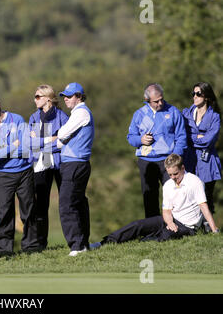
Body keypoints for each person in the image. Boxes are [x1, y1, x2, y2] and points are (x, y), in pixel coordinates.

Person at [90, 154, 219, 248]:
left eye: (176, 174)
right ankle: (104, 243)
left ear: (182, 168)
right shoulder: (168, 185)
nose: (173, 178)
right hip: (170, 220)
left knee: (162, 238)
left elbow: (203, 206)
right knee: (137, 225)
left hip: (188, 227)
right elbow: (166, 210)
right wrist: (169, 222)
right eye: (170, 175)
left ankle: (142, 242)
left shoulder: (195, 181)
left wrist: (214, 230)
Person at [0, 91, 39, 255]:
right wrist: (14, 145)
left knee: (28, 211)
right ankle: (3, 249)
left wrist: (4, 150)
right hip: (3, 174)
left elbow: (26, 148)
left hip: (24, 172)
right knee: (4, 213)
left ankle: (31, 246)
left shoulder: (17, 119)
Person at [127, 83, 187, 218]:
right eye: (156, 101)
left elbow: (181, 136)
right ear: (147, 100)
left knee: (173, 195)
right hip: (146, 161)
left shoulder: (173, 112)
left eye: (161, 99)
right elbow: (131, 137)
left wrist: (175, 158)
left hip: (168, 161)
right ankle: (152, 230)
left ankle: (176, 226)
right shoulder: (139, 114)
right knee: (149, 196)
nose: (160, 103)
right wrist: (140, 140)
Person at [28, 84, 69, 250]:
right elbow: (32, 144)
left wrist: (48, 141)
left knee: (66, 202)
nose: (35, 99)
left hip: (61, 161)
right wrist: (51, 140)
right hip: (41, 162)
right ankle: (40, 243)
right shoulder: (34, 118)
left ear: (48, 98)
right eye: (35, 96)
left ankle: (73, 242)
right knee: (41, 204)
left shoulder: (62, 116)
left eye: (38, 96)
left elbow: (64, 141)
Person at [56, 83, 95, 256]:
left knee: (67, 205)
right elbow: (59, 141)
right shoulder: (77, 113)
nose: (66, 98)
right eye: (64, 95)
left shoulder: (80, 112)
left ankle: (77, 246)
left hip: (74, 164)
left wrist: (59, 135)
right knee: (78, 203)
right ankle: (82, 243)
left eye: (69, 96)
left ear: (79, 96)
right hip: (76, 163)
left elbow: (62, 134)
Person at [182, 82, 221, 216]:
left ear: (207, 96)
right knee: (190, 195)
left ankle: (208, 226)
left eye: (198, 93)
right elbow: (183, 135)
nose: (195, 96)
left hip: (207, 161)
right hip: (189, 159)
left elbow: (208, 140)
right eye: (193, 93)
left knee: (206, 196)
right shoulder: (186, 114)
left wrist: (192, 138)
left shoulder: (215, 117)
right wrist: (197, 136)